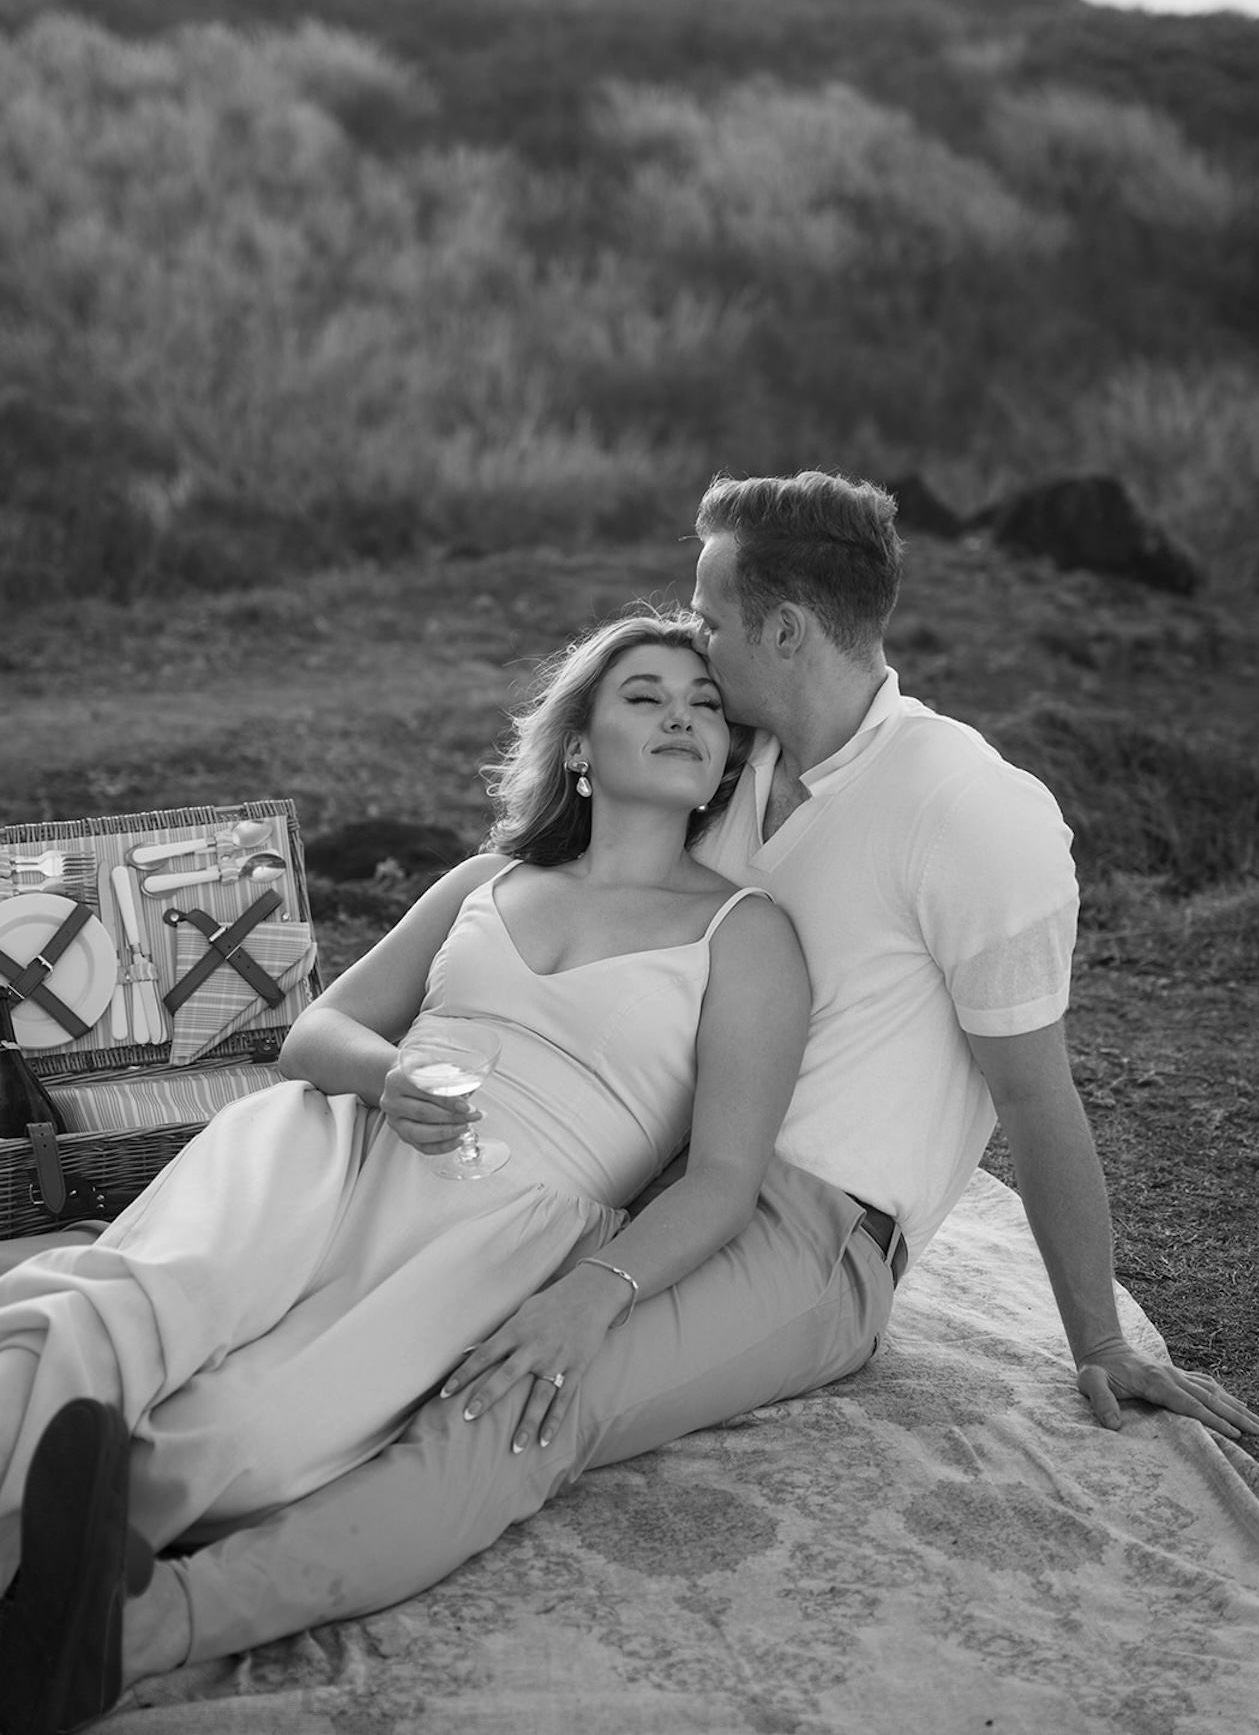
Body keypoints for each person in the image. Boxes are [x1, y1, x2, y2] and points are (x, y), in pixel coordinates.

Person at [12, 472, 1259, 1719]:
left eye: (710, 621)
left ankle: (138, 1627)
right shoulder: (737, 771)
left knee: (519, 1409)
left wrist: (1095, 1337)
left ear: (781, 631)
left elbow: (1038, 1099)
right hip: (641, 1183)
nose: (693, 647)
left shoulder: (970, 809)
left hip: (815, 1224)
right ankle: (89, 1494)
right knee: (311, 1323)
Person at [0, 613, 813, 1735]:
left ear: (725, 758)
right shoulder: (489, 877)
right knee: (138, 1303)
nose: (682, 713)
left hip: (502, 1232)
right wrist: (389, 1080)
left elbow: (723, 1179)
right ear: (577, 746)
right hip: (335, 1140)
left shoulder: (745, 932)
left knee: (254, 1445)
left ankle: (53, 1555)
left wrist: (593, 1294)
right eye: (643, 694)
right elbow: (314, 1030)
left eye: (705, 703)